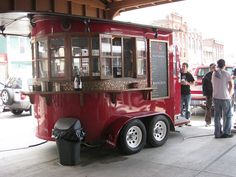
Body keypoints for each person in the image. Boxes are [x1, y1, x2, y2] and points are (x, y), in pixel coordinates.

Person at [212, 59, 233, 138]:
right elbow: (231, 85)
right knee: (228, 115)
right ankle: (226, 132)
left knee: (217, 116)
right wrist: (229, 95)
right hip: (225, 98)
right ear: (224, 65)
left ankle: (217, 133)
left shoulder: (214, 73)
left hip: (216, 97)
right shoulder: (227, 73)